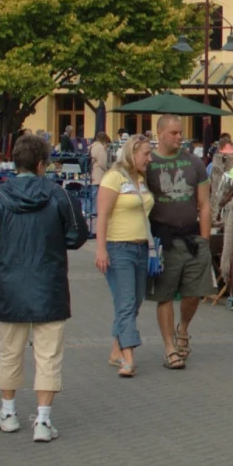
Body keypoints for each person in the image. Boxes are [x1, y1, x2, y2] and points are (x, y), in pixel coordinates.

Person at [0, 135, 87, 442]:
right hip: (49, 283)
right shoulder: (59, 196)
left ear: (14, 162)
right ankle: (43, 420)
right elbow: (77, 236)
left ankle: (8, 413)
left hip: (9, 283)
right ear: (41, 165)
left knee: (9, 352)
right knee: (49, 355)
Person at [144, 115, 213, 370]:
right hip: (163, 238)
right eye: (173, 133)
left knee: (194, 292)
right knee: (164, 295)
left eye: (180, 132)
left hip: (192, 236)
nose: (179, 137)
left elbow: (205, 204)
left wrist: (204, 240)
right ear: (160, 133)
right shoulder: (149, 164)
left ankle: (183, 328)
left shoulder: (193, 162)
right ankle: (169, 347)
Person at [94, 133, 155, 376]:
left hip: (141, 248)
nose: (150, 159)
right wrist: (100, 249)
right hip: (118, 248)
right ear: (132, 153)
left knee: (135, 300)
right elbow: (103, 216)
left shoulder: (140, 179)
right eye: (146, 154)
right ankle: (128, 357)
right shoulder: (113, 178)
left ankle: (116, 349)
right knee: (127, 302)